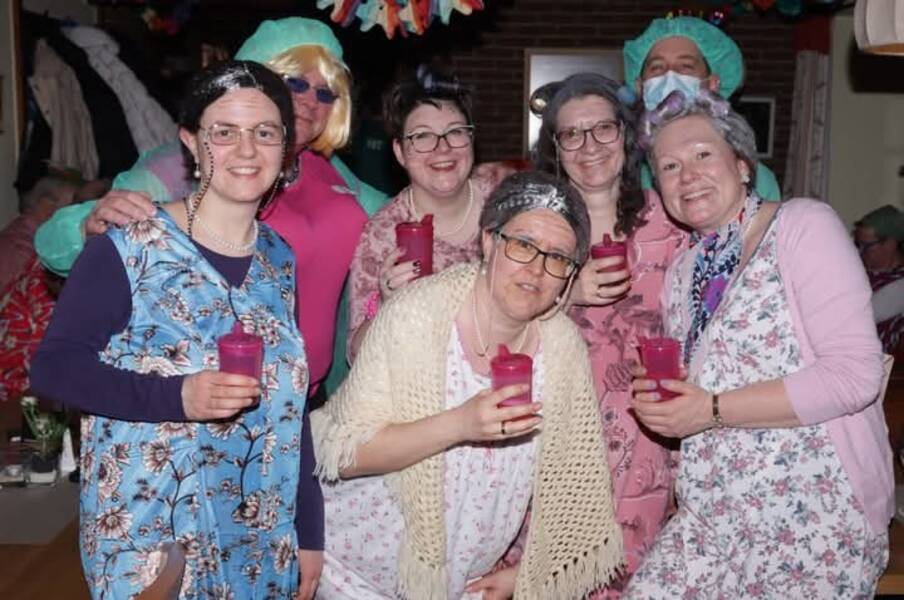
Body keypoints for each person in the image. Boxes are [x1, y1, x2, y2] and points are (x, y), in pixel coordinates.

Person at [31, 60, 319, 599]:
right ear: (191, 142)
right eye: (224, 133)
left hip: (259, 540)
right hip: (155, 542)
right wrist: (177, 396)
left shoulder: (278, 259)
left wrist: (310, 530)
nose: (247, 150)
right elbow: (54, 369)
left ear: (285, 148)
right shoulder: (129, 245)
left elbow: (290, 405)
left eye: (265, 133)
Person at [624, 89, 893, 598]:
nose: (688, 175)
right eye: (669, 167)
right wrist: (667, 391)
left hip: (814, 517)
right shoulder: (684, 270)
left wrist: (710, 409)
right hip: (711, 515)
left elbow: (854, 377)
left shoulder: (802, 225)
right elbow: (713, 377)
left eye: (703, 155)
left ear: (743, 165)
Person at [32, 17, 389, 399]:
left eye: (326, 92)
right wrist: (85, 227)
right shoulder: (183, 166)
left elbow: (398, 214)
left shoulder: (338, 180)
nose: (310, 100)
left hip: (308, 403)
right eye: (296, 82)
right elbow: (54, 242)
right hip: (197, 401)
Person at [312, 171, 624, 599]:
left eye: (557, 257)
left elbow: (575, 483)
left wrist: (526, 574)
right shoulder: (418, 314)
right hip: (349, 571)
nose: (536, 269)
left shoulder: (561, 347)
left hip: (457, 583)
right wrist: (460, 424)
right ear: (490, 242)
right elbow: (344, 456)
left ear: (570, 275)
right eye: (523, 245)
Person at [531, 73, 685, 596]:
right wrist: (568, 291)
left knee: (630, 577)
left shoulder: (671, 218)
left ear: (626, 134)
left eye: (603, 129)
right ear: (555, 149)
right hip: (558, 436)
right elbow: (495, 316)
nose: (589, 145)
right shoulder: (537, 227)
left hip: (648, 435)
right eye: (571, 134)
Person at [347, 67, 495, 360]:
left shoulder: (507, 206)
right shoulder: (383, 234)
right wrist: (387, 306)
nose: (442, 148)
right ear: (400, 152)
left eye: (455, 132)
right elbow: (356, 354)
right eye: (423, 136)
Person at [623, 15, 782, 202]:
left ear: (713, 83)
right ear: (640, 87)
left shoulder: (755, 180)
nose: (670, 74)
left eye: (686, 66)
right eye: (657, 67)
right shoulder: (627, 179)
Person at [854, 205, 904, 359]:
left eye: (867, 246)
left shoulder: (900, 285)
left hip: (876, 363)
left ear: (890, 244)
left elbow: (859, 315)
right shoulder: (856, 270)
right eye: (858, 244)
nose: (861, 251)